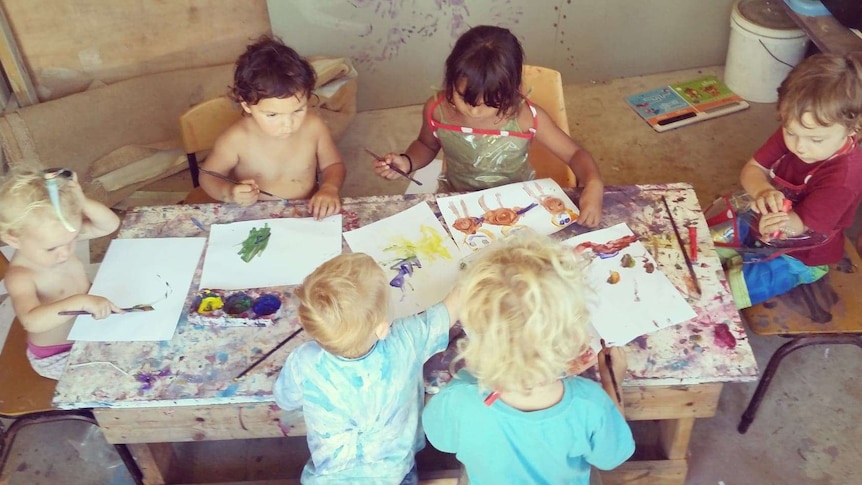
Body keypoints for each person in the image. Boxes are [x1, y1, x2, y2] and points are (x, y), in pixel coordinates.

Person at [422, 232, 634, 484]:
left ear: (475, 337)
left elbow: (441, 440)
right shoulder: (590, 405)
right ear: (574, 340)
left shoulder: (457, 398)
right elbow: (611, 457)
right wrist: (613, 384)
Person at [371, 25, 605, 227]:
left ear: (512, 90)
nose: (473, 111)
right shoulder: (437, 109)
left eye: (490, 103)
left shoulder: (526, 117)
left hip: (516, 204)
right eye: (464, 98)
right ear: (450, 79)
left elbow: (575, 153)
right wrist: (407, 161)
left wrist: (593, 183)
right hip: (458, 201)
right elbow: (426, 144)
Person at [273, 252, 460, 484]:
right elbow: (447, 312)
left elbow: (285, 400)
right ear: (382, 328)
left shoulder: (304, 360)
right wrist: (470, 278)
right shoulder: (404, 340)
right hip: (394, 475)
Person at [727, 52, 862, 309]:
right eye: (791, 133)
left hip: (802, 253)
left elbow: (798, 227)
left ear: (853, 128)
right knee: (702, 247)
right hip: (766, 220)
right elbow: (753, 169)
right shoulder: (801, 127)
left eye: (816, 140)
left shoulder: (844, 178)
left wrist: (773, 222)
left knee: (728, 290)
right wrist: (763, 190)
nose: (800, 147)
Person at [200, 36, 346, 220]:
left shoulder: (314, 126)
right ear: (247, 106)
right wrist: (229, 192)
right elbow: (208, 176)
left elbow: (333, 164)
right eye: (272, 115)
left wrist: (329, 188)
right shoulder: (235, 139)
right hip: (257, 216)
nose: (288, 124)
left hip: (308, 211)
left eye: (298, 110)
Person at [0, 166, 121, 379]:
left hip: (90, 331)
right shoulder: (21, 275)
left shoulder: (57, 239)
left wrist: (80, 201)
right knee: (120, 376)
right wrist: (79, 302)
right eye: (52, 248)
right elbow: (31, 321)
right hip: (60, 354)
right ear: (13, 239)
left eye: (72, 240)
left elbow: (109, 225)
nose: (65, 252)